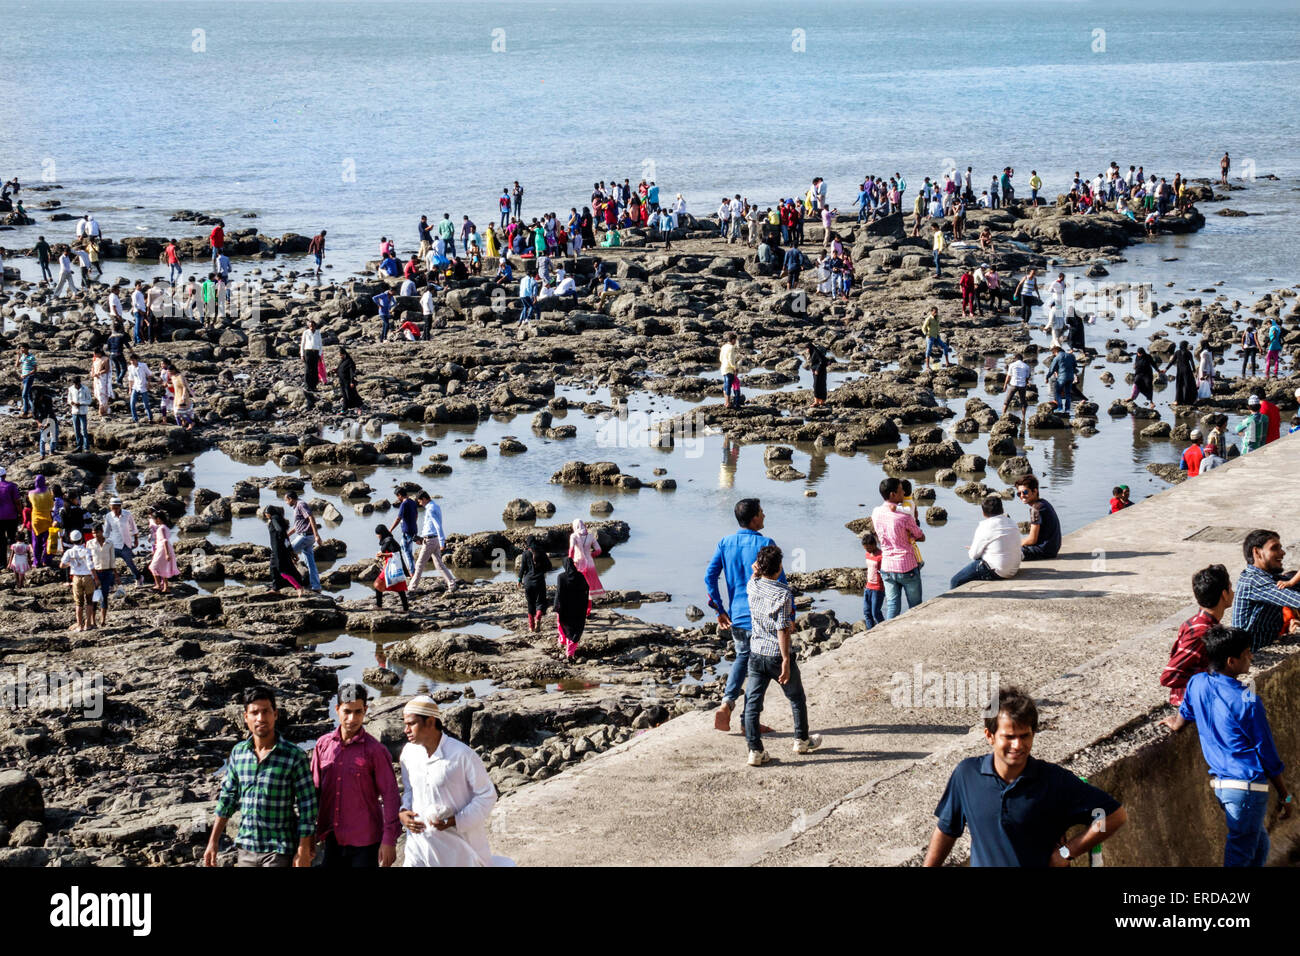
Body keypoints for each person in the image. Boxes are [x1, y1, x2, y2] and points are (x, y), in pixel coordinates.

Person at [924, 687, 1127, 867]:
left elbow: (1111, 815)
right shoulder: (967, 775)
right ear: (990, 736)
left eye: (1024, 736)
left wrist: (1066, 852)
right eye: (1009, 737)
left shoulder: (1054, 781)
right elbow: (947, 829)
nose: (1018, 745)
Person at [1169, 625, 1292, 866]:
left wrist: (1175, 725)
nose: (1251, 657)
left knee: (1258, 843)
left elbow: (1185, 712)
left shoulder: (1197, 683)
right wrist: (1285, 795)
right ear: (1231, 661)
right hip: (1247, 788)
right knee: (1240, 854)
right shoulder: (1248, 701)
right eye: (1247, 653)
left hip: (1224, 787)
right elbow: (1266, 754)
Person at [206, 686, 318, 867]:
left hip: (279, 849)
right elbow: (227, 798)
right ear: (245, 717)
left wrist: (303, 849)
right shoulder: (239, 753)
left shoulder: (293, 755)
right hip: (246, 847)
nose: (260, 718)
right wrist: (213, 841)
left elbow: (307, 806)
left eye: (265, 711)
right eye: (254, 712)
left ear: (275, 714)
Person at [399, 695, 509, 867]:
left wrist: (455, 821)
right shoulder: (408, 753)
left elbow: (487, 795)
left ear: (430, 722)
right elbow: (409, 789)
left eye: (411, 724)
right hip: (419, 844)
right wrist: (403, 811)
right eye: (405, 724)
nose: (406, 730)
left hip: (457, 847)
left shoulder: (461, 755)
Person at [705, 498, 782, 733]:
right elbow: (779, 581)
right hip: (761, 617)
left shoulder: (725, 543)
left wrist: (719, 608)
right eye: (761, 512)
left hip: (736, 616)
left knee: (742, 657)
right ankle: (748, 721)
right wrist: (790, 615)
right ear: (753, 518)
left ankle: (727, 703)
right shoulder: (765, 544)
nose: (765, 516)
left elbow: (710, 576)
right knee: (759, 670)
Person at [742, 543, 821, 766]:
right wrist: (786, 659)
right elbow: (783, 629)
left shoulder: (752, 586)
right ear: (779, 568)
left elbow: (753, 577)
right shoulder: (783, 594)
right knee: (796, 697)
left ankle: (755, 750)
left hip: (756, 652)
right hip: (776, 654)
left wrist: (755, 571)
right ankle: (801, 740)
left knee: (752, 705)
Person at [311, 683, 400, 868]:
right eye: (347, 711)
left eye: (358, 712)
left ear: (365, 710)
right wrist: (308, 835)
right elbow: (314, 792)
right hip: (332, 838)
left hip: (365, 842)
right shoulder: (323, 745)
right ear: (337, 709)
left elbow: (391, 797)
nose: (352, 718)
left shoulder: (376, 751)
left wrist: (389, 840)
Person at [1160, 565, 1233, 728]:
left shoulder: (1198, 623)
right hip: (1194, 706)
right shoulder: (1202, 632)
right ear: (1224, 594)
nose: (1233, 592)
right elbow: (1169, 676)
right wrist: (1202, 685)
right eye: (1230, 588)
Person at [1231, 529, 1300, 651]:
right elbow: (1296, 600)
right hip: (1248, 656)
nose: (1282, 553)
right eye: (1275, 548)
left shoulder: (1269, 577)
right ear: (1257, 552)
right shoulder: (1254, 581)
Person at [871, 478, 925, 619]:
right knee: (916, 607)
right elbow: (920, 535)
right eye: (901, 491)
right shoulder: (904, 517)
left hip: (887, 566)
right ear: (892, 495)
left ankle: (887, 634)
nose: (904, 493)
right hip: (906, 566)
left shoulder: (876, 512)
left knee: (893, 606)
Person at [951, 496, 1022, 588]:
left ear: (983, 513)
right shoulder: (1012, 523)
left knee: (955, 581)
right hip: (1014, 568)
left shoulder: (985, 526)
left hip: (998, 571)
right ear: (1002, 509)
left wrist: (973, 548)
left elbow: (973, 555)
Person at [411, 490, 459, 593]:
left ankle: (411, 588)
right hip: (433, 538)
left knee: (419, 564)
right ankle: (452, 584)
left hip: (431, 540)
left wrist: (442, 541)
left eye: (420, 501)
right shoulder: (435, 506)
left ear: (424, 499)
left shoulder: (430, 509)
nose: (420, 504)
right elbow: (432, 526)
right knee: (439, 564)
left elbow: (438, 525)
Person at [1015, 475, 1061, 560]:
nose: (1022, 496)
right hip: (1051, 549)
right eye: (1019, 493)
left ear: (1035, 491)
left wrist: (1016, 543)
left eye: (1025, 492)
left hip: (1043, 551)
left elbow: (1032, 539)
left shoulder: (1036, 509)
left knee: (1007, 551)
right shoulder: (1043, 503)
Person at [283, 490, 321, 592]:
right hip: (305, 536)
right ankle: (316, 587)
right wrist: (287, 535)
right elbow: (298, 525)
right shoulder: (297, 506)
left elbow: (311, 517)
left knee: (285, 553)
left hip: (305, 537)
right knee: (310, 563)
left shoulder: (301, 504)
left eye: (286, 500)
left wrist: (317, 535)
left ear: (290, 499)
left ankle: (292, 583)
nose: (286, 503)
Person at [553, 557, 590, 659]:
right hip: (578, 607)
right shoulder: (580, 576)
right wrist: (584, 603)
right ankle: (570, 652)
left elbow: (559, 592)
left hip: (565, 607)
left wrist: (557, 606)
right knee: (576, 629)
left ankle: (562, 640)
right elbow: (587, 588)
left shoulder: (561, 577)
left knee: (563, 625)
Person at [59, 530, 96, 632]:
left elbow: (62, 565)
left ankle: (79, 625)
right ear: (81, 539)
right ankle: (88, 624)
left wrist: (70, 564)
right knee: (89, 601)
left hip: (76, 577)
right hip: (88, 577)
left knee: (79, 603)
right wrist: (96, 578)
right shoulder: (87, 551)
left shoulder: (69, 552)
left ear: (71, 540)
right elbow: (90, 565)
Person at [102, 496, 143, 587]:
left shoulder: (127, 514)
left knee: (130, 563)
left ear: (120, 506)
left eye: (117, 508)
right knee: (110, 564)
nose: (115, 510)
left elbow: (133, 527)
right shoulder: (108, 516)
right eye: (113, 508)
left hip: (125, 544)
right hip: (113, 544)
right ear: (110, 507)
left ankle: (138, 578)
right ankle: (111, 583)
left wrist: (136, 539)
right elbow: (107, 531)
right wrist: (103, 542)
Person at [518, 535, 551, 633]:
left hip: (528, 581)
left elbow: (522, 568)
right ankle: (538, 618)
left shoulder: (525, 554)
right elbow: (549, 566)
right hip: (539, 580)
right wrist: (542, 570)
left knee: (530, 603)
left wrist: (519, 579)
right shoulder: (541, 552)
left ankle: (531, 626)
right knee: (540, 602)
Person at [373, 523, 410, 611]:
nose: (377, 536)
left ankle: (379, 606)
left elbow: (395, 554)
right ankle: (406, 608)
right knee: (399, 588)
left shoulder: (389, 540)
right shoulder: (388, 540)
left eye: (377, 534)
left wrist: (383, 554)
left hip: (391, 567)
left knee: (377, 584)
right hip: (392, 566)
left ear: (381, 534)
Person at [568, 518, 604, 599]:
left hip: (578, 563)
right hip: (590, 563)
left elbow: (571, 550)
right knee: (590, 587)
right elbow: (599, 550)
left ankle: (578, 604)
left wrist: (569, 561)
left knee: (578, 584)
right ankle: (588, 608)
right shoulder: (591, 536)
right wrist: (591, 555)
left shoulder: (574, 536)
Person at [87, 524, 114, 628]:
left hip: (107, 572)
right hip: (95, 572)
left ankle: (103, 620)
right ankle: (93, 621)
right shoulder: (90, 543)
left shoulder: (109, 543)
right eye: (93, 533)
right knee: (94, 597)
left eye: (97, 532)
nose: (95, 535)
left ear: (102, 532)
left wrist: (115, 575)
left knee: (104, 596)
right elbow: (89, 560)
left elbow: (112, 560)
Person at [148, 511, 177, 592]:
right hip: (164, 548)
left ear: (158, 519)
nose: (153, 521)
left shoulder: (161, 528)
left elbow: (165, 541)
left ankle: (158, 585)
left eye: (154, 519)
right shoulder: (165, 527)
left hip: (163, 549)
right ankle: (165, 587)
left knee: (153, 567)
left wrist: (167, 554)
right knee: (162, 568)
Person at [861, 532, 884, 629]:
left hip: (878, 588)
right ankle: (870, 632)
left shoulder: (881, 556)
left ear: (874, 544)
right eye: (865, 548)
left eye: (869, 548)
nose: (867, 550)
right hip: (868, 586)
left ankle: (885, 629)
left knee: (876, 612)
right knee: (867, 612)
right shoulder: (867, 554)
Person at [28, 475, 53, 568]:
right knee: (47, 542)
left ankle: (36, 562)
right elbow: (51, 505)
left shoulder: (31, 493)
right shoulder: (48, 492)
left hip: (36, 520)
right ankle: (46, 560)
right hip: (47, 519)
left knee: (36, 542)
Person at [1044, 346, 1078, 415]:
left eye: (1054, 353)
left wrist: (1047, 377)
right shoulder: (1071, 356)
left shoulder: (1057, 357)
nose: (1054, 354)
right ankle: (1067, 410)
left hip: (1062, 377)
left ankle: (1060, 409)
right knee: (1068, 394)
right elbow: (1075, 365)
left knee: (1058, 392)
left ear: (1056, 352)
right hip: (1070, 377)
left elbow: (1051, 369)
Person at [1163, 341, 1197, 406]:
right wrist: (1194, 371)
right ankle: (1187, 401)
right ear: (1185, 346)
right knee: (1187, 385)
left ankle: (1177, 401)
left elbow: (1172, 362)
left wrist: (1166, 369)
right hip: (1187, 370)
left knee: (1179, 385)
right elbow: (1192, 362)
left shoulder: (1177, 352)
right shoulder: (1188, 353)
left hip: (1179, 371)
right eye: (1187, 345)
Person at [0, 467, 21, 571]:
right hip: (11, 516)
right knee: (12, 539)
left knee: (1, 541)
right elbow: (17, 502)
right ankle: (13, 561)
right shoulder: (11, 486)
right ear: (5, 475)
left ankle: (2, 563)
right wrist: (20, 513)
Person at [920, 306, 952, 371]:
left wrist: (938, 334)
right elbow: (923, 328)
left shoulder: (937, 318)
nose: (936, 313)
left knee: (945, 347)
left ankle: (947, 363)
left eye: (937, 312)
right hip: (930, 337)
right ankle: (927, 366)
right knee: (928, 350)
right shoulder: (928, 319)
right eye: (935, 312)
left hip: (937, 336)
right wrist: (926, 334)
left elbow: (937, 326)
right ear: (931, 312)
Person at [66, 375, 91, 452]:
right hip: (74, 412)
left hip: (83, 412)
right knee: (76, 430)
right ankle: (79, 446)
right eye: (75, 384)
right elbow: (69, 399)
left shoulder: (85, 389)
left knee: (84, 430)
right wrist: (72, 403)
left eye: (77, 383)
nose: (76, 385)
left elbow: (89, 400)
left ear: (80, 382)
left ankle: (86, 447)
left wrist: (81, 403)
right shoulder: (71, 389)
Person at [126, 354, 153, 423]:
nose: (132, 362)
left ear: (136, 360)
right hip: (135, 386)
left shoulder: (143, 365)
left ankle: (150, 418)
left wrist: (148, 383)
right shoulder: (130, 368)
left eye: (133, 360)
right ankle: (135, 419)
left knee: (146, 404)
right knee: (132, 403)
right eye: (131, 360)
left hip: (143, 386)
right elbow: (130, 379)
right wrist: (130, 389)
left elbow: (149, 374)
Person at [719, 331, 741, 408]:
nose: (735, 342)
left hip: (723, 368)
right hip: (729, 369)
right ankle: (728, 403)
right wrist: (735, 368)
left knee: (726, 385)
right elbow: (731, 360)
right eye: (735, 340)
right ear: (732, 340)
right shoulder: (731, 348)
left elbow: (720, 358)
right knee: (729, 386)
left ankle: (726, 402)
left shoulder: (723, 347)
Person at [299, 320, 322, 393]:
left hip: (315, 352)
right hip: (308, 351)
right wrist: (302, 354)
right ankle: (308, 386)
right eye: (310, 326)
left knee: (315, 369)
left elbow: (320, 344)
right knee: (308, 369)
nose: (311, 327)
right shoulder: (306, 332)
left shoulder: (318, 333)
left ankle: (314, 386)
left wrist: (320, 354)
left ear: (315, 326)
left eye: (312, 325)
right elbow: (302, 343)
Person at [804, 342, 829, 407]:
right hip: (820, 371)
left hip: (819, 372)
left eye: (807, 349)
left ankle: (817, 402)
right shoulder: (814, 352)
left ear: (809, 348)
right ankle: (821, 401)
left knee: (817, 386)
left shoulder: (816, 352)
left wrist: (817, 370)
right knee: (821, 385)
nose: (806, 350)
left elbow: (822, 361)